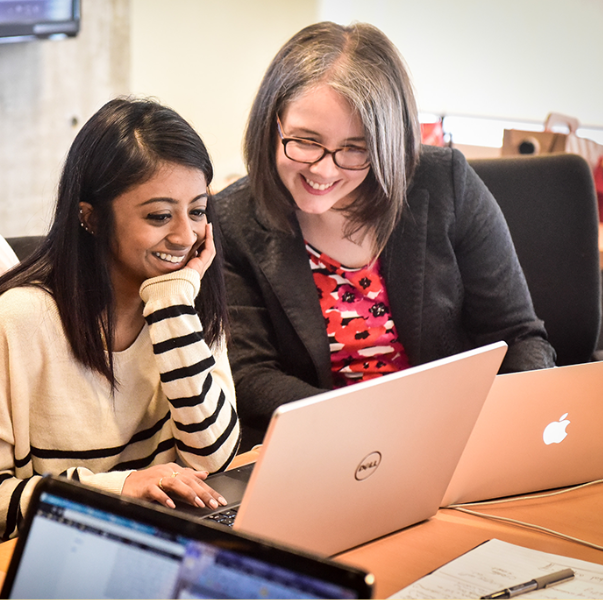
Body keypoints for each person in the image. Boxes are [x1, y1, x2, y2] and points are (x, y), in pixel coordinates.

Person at [215, 22, 556, 449]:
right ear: (272, 125)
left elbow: (518, 336)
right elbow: (250, 376)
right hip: (326, 446)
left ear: (387, 144)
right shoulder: (231, 220)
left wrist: (515, 424)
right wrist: (374, 430)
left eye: (355, 148)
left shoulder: (445, 182)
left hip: (456, 437)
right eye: (304, 141)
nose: (324, 169)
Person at [0, 98, 240, 556]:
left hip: (134, 538)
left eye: (197, 211)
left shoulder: (183, 297)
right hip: (10, 553)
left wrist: (172, 306)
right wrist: (121, 488)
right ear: (90, 216)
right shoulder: (19, 320)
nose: (186, 236)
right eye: (158, 216)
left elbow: (213, 459)